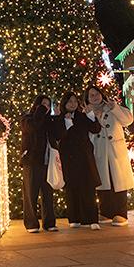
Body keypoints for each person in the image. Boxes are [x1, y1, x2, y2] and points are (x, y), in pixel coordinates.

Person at [86, 85, 134, 226]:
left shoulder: (111, 107)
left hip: (115, 150)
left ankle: (121, 213)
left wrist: (115, 108)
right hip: (99, 150)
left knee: (118, 181)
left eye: (96, 94)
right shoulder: (87, 112)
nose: (95, 97)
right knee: (103, 181)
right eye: (91, 95)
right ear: (87, 99)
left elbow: (128, 120)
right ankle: (106, 211)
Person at [51, 90, 101, 230]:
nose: (72, 104)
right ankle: (74, 218)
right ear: (64, 103)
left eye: (74, 101)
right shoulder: (59, 118)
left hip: (84, 156)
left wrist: (91, 115)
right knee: (71, 188)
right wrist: (66, 123)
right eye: (69, 101)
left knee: (88, 187)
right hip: (68, 157)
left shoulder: (82, 116)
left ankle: (92, 219)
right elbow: (57, 135)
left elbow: (96, 129)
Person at [20, 95, 58, 233]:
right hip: (32, 161)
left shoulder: (49, 121)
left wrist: (57, 118)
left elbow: (58, 134)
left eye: (48, 105)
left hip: (48, 161)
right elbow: (33, 127)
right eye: (43, 104)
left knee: (48, 193)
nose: (46, 107)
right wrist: (41, 111)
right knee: (31, 193)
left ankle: (49, 222)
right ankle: (31, 223)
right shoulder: (27, 119)